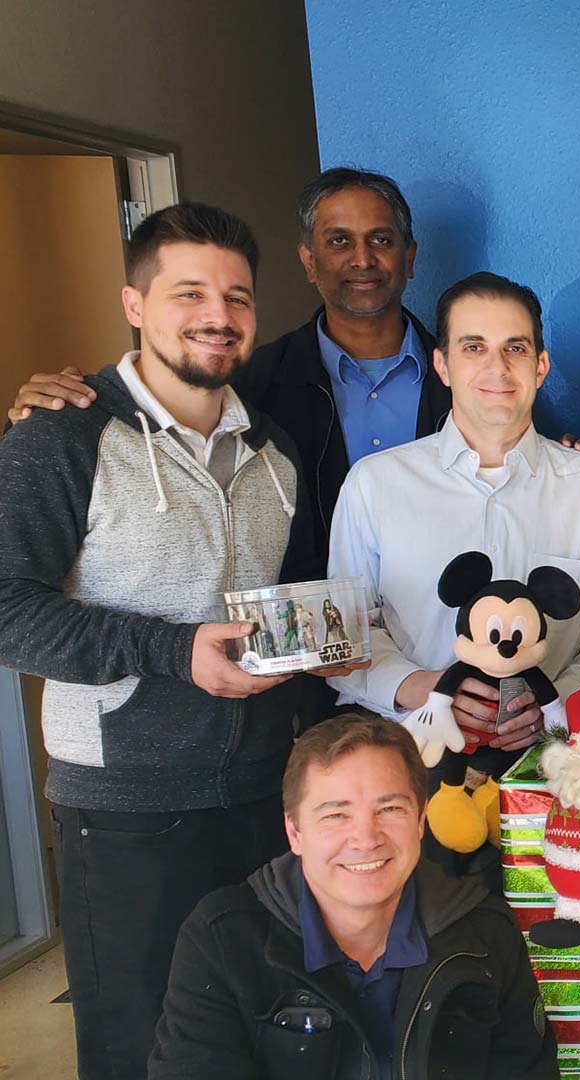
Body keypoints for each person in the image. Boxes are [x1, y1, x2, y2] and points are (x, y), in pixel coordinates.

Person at [0, 203, 335, 1080]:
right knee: (141, 1047)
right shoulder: (61, 433)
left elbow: (285, 603)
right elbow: (7, 608)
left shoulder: (278, 450)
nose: (216, 315)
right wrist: (173, 650)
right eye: (188, 292)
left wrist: (323, 644)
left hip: (264, 794)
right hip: (125, 810)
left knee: (265, 1032)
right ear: (135, 304)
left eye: (236, 296)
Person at [327, 272, 580, 880]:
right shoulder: (375, 486)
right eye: (473, 346)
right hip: (419, 776)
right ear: (442, 364)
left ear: (540, 365)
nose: (496, 367)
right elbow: (347, 636)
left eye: (514, 348)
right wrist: (428, 687)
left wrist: (556, 704)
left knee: (565, 958)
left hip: (564, 779)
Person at [6, 168, 452, 543]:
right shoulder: (247, 382)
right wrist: (37, 420)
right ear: (309, 261)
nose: (362, 259)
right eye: (338, 241)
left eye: (380, 240)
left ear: (409, 258)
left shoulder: (468, 378)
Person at [149, 714, 558, 1078]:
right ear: (294, 832)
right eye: (336, 815)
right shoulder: (221, 939)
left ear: (420, 820)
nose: (365, 839)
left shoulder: (486, 934)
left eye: (389, 809)